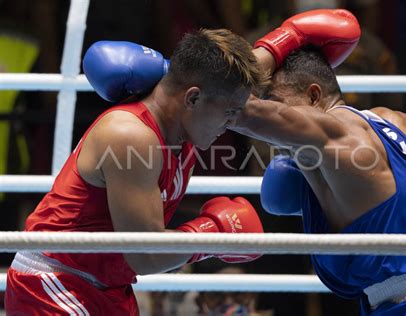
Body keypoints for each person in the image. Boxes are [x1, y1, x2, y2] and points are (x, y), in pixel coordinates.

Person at [84, 8, 406, 315]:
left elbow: (231, 106)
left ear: (315, 95)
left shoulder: (332, 134)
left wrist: (176, 74)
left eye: (277, 102)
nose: (276, 126)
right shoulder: (402, 123)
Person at [4, 29, 267, 315]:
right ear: (192, 99)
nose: (231, 124)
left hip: (110, 286)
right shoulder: (130, 135)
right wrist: (213, 234)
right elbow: (145, 254)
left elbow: (244, 101)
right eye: (228, 114)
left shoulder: (187, 126)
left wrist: (286, 41)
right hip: (54, 282)